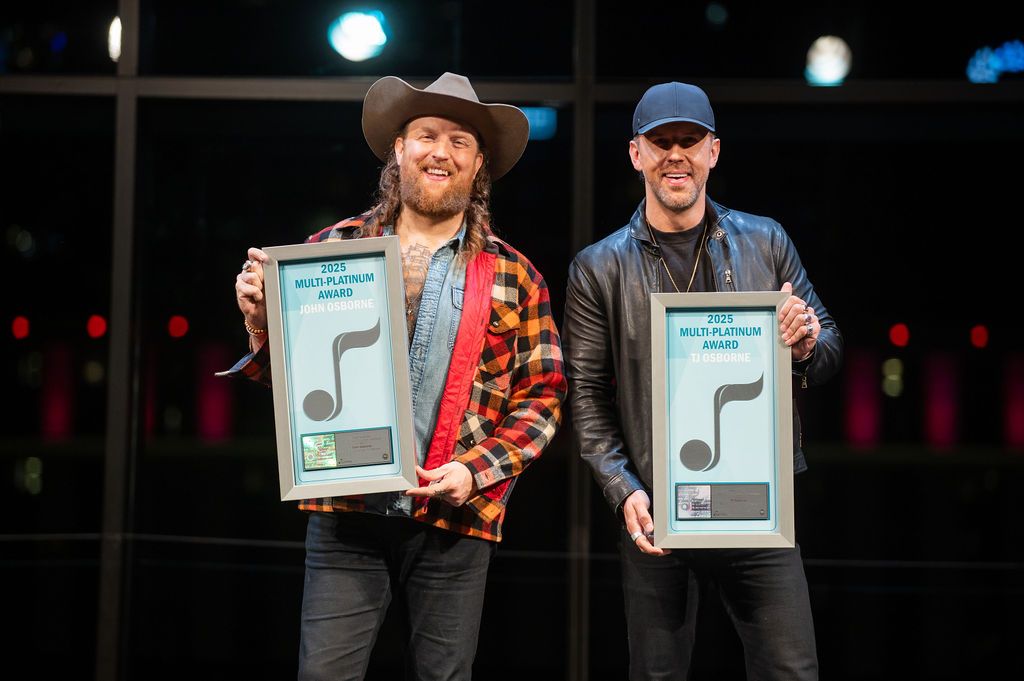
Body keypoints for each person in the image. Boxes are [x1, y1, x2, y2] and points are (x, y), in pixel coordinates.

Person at [226, 72, 567, 680]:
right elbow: (304, 391)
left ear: (479, 163)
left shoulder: (517, 275)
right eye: (426, 135)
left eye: (460, 141)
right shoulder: (332, 249)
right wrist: (260, 326)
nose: (441, 151)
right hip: (346, 513)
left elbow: (542, 399)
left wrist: (475, 470)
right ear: (399, 150)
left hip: (456, 520)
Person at [563, 81, 843, 680]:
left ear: (713, 151)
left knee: (792, 671)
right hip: (658, 510)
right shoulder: (598, 267)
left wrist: (806, 341)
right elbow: (584, 392)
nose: (675, 155)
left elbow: (830, 351)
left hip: (757, 511)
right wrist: (622, 489)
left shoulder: (766, 242)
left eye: (689, 141)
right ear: (636, 154)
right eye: (660, 142)